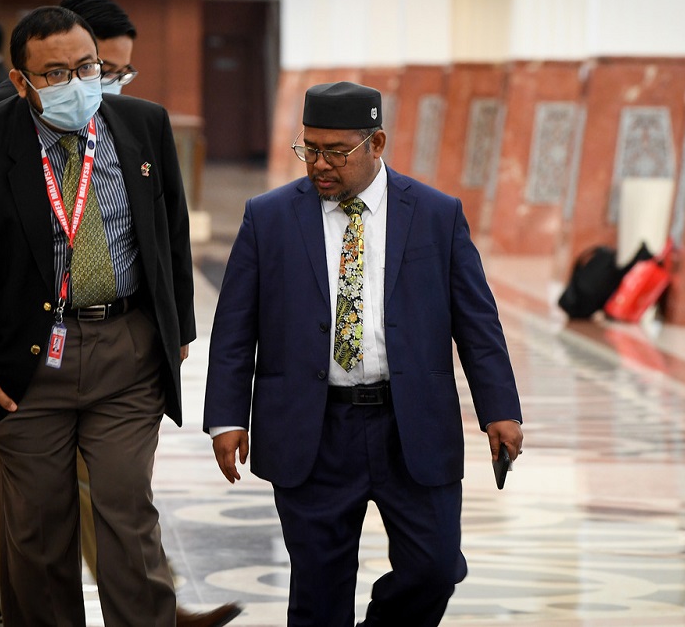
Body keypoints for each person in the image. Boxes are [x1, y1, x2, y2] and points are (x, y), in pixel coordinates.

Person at [0, 0, 241, 627]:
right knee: (37, 527)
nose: (79, 83)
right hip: (27, 357)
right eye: (56, 74)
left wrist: (177, 330)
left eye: (89, 68)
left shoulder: (142, 124)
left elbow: (169, 233)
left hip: (126, 347)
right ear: (21, 81)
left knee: (126, 506)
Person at [204, 81, 524, 626]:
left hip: (412, 423)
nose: (319, 164)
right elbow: (235, 326)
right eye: (310, 149)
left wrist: (500, 409)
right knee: (319, 594)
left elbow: (477, 323)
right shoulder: (269, 217)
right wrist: (227, 418)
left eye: (336, 152)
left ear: (376, 143)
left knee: (435, 568)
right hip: (314, 429)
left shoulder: (436, 214)